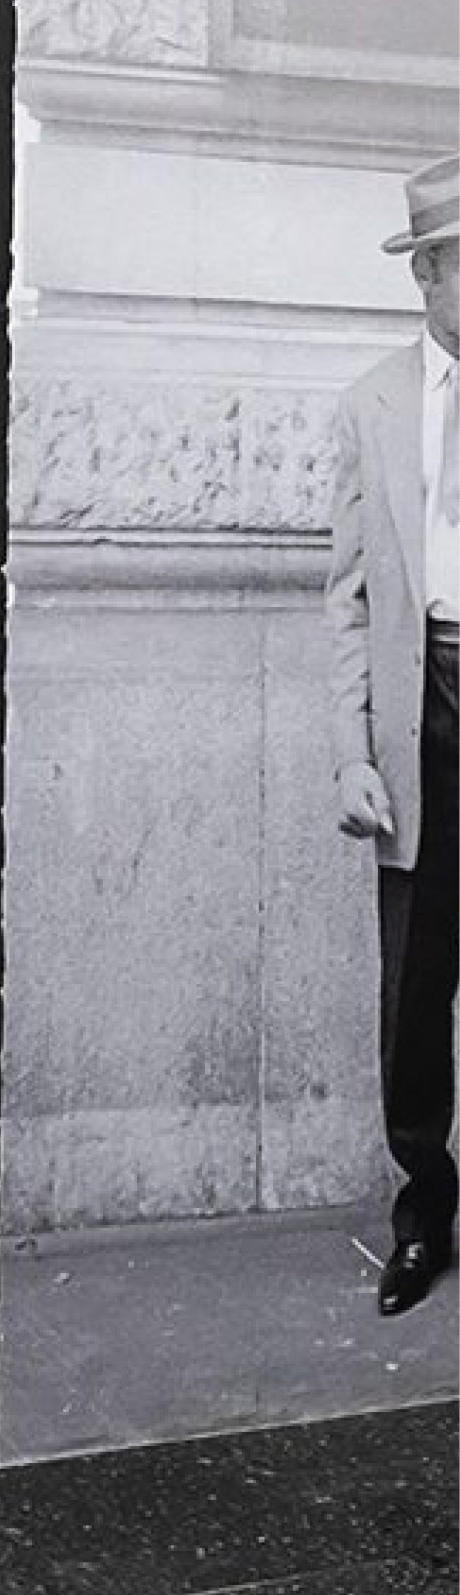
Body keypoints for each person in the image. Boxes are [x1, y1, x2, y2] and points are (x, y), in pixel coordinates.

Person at [331, 149, 460, 1319]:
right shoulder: (370, 404)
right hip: (420, 706)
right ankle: (423, 1216)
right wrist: (350, 751)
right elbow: (348, 599)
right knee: (415, 988)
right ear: (424, 272)